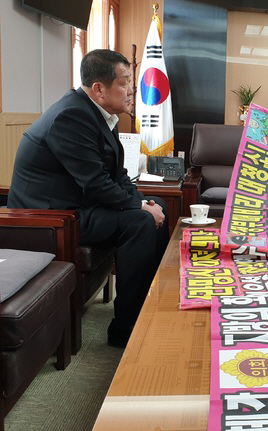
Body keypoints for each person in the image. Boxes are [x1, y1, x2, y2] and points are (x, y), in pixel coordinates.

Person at [8, 49, 170, 348]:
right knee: (140, 223)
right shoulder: (72, 116)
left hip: (77, 204)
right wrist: (138, 207)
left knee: (159, 205)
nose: (132, 89)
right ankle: (125, 328)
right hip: (50, 216)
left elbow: (117, 175)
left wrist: (145, 202)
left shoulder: (100, 114)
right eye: (125, 82)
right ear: (99, 89)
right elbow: (96, 184)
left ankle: (147, 306)